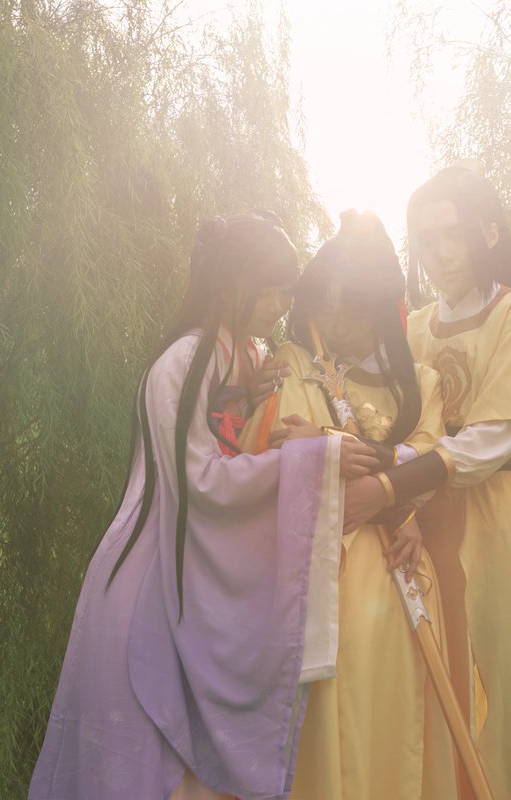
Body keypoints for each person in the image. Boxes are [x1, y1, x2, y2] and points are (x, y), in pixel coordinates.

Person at [29, 211, 379, 800]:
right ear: (226, 283)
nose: (279, 304)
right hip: (149, 576)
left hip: (187, 575)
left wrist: (265, 416)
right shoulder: (183, 361)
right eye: (268, 289)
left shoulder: (242, 356)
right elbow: (201, 483)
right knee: (139, 768)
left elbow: (234, 448)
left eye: (286, 290)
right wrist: (308, 459)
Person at [342, 167, 511, 799]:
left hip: (498, 517)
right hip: (422, 526)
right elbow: (377, 410)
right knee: (432, 682)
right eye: (426, 240)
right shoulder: (413, 330)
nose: (440, 252)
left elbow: (491, 440)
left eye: (452, 234)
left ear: (489, 233)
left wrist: (392, 489)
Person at [241, 210, 458, 800]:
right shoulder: (292, 362)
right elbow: (276, 447)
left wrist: (390, 489)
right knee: (320, 732)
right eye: (326, 306)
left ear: (382, 310)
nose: (335, 323)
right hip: (313, 574)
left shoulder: (421, 382)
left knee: (390, 734)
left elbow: (432, 460)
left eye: (352, 310)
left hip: (397, 576)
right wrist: (382, 475)